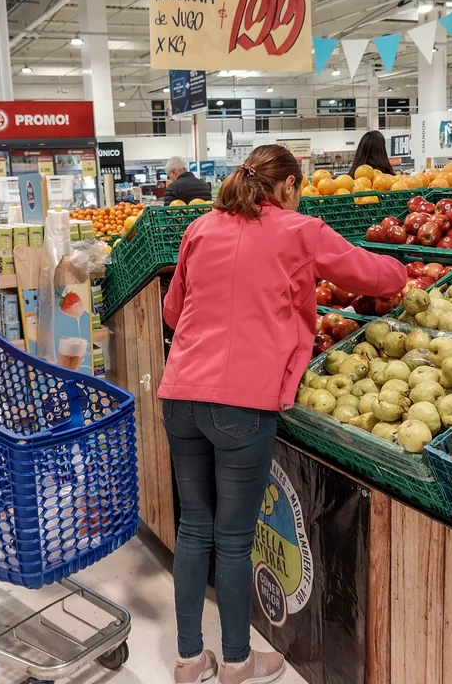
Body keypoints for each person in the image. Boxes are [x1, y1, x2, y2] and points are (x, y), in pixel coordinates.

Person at [159, 145, 406, 684]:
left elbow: (173, 310)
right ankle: (237, 661)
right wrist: (402, 274)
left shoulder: (200, 228)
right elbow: (369, 276)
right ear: (290, 186)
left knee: (194, 528)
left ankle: (186, 660)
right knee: (233, 538)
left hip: (179, 394)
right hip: (242, 404)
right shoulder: (300, 231)